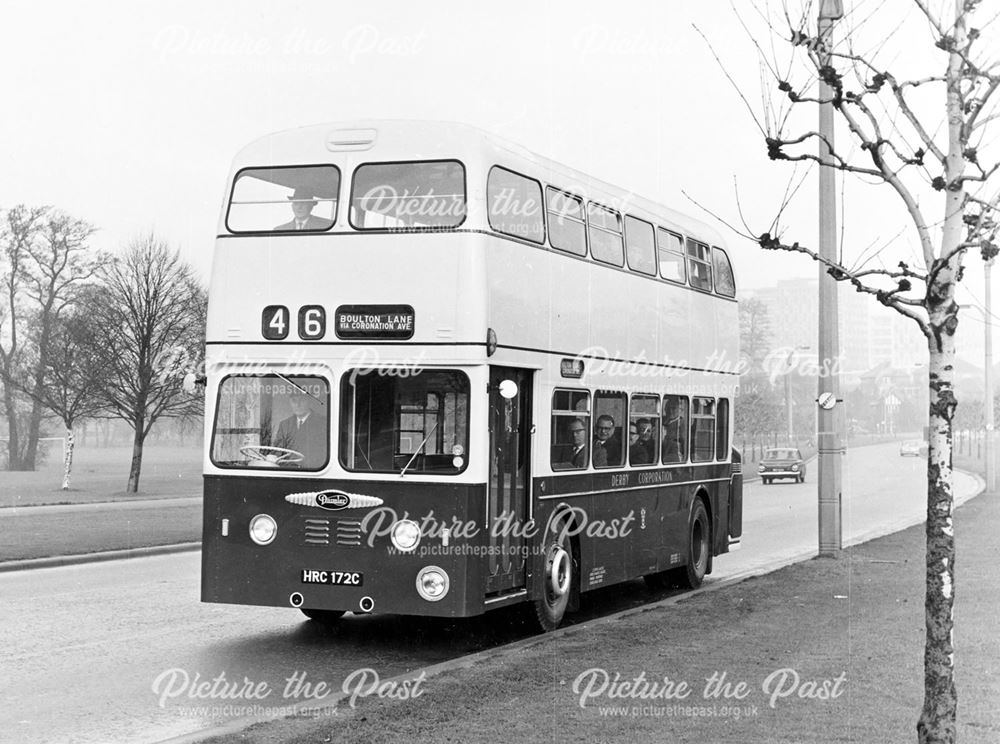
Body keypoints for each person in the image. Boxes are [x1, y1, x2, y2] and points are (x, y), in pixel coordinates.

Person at [273, 391, 326, 468]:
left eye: (302, 400)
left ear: (309, 401)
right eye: (294, 401)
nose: (298, 405)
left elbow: (324, 452)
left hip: (313, 471)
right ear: (290, 403)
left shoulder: (322, 423)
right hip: (288, 471)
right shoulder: (285, 425)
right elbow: (278, 450)